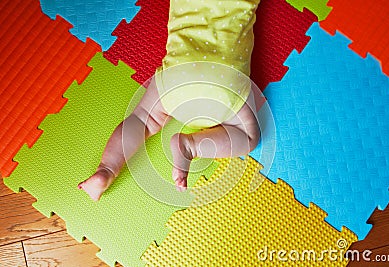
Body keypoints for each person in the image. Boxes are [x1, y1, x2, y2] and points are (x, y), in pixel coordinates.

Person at [78, 0, 261, 201]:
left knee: (142, 120)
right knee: (248, 136)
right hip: (224, 82)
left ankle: (107, 169)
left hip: (177, 75)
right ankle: (191, 146)